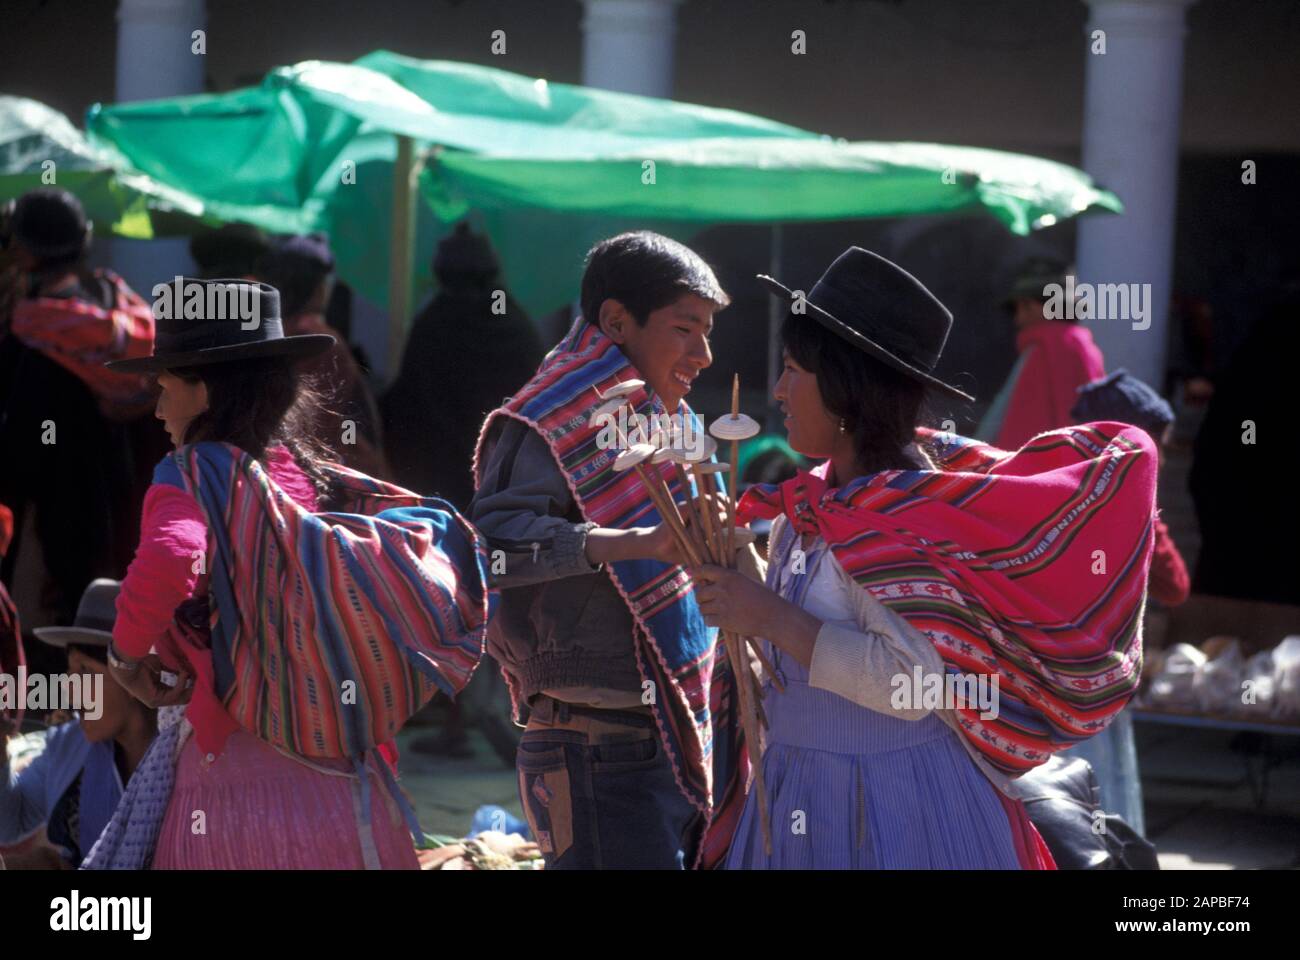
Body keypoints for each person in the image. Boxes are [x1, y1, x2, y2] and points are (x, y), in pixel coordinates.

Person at [692, 247, 1158, 869]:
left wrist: (770, 617)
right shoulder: (808, 510)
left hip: (893, 808)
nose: (777, 391)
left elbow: (915, 685)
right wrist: (737, 575)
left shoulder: (894, 522)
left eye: (794, 370)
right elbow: (785, 667)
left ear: (847, 388)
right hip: (800, 793)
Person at [86, 278, 491, 869]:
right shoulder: (307, 479)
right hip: (351, 794)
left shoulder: (191, 476)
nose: (157, 407)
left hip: (235, 805)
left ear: (204, 391)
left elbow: (173, 562)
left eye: (165, 387)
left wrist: (124, 655)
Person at [470, 231, 740, 869]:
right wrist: (638, 541)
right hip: (592, 749)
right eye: (685, 329)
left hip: (671, 738)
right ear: (617, 322)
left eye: (708, 332)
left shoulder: (668, 423)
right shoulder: (549, 416)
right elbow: (494, 551)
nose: (702, 354)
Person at [0, 188, 158, 626]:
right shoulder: (120, 306)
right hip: (125, 519)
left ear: (27, 253)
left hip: (51, 532)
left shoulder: (32, 338)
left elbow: (17, 457)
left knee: (55, 646)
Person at [1059, 368, 1186, 837]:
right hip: (1100, 681)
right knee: (1098, 805)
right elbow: (1175, 585)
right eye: (1159, 446)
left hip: (1045, 677)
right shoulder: (1132, 505)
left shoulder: (1046, 486)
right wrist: (1152, 515)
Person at [384, 222, 545, 509]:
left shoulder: (435, 323)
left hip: (447, 476)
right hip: (508, 475)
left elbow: (406, 405)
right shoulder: (511, 320)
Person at [0, 579, 157, 867]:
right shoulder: (66, 744)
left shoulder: (181, 758)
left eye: (85, 669)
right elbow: (10, 823)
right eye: (70, 670)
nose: (71, 688)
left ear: (132, 676)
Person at [254, 234, 388, 476]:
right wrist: (355, 452)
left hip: (275, 464)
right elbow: (344, 416)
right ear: (318, 287)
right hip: (323, 468)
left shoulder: (262, 332)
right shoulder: (319, 339)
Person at [977, 257, 1106, 450]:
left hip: (1033, 466)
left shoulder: (1040, 350)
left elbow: (1001, 414)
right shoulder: (1089, 350)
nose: (1018, 320)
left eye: (1021, 307)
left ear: (1036, 306)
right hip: (1077, 464)